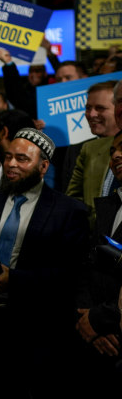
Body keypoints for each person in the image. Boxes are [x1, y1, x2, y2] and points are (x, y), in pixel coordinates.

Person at [0, 128, 89, 398]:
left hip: (39, 328)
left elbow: (68, 273)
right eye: (8, 157)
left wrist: (14, 280)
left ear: (43, 166)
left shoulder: (68, 211)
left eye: (22, 159)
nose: (11, 165)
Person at [75, 129, 122, 393]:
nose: (116, 155)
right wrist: (85, 315)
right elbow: (87, 267)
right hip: (94, 341)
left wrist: (100, 319)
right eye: (112, 150)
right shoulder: (109, 206)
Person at [66, 80, 120, 223]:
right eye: (88, 108)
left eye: (100, 108)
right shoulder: (89, 149)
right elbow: (73, 199)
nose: (91, 114)